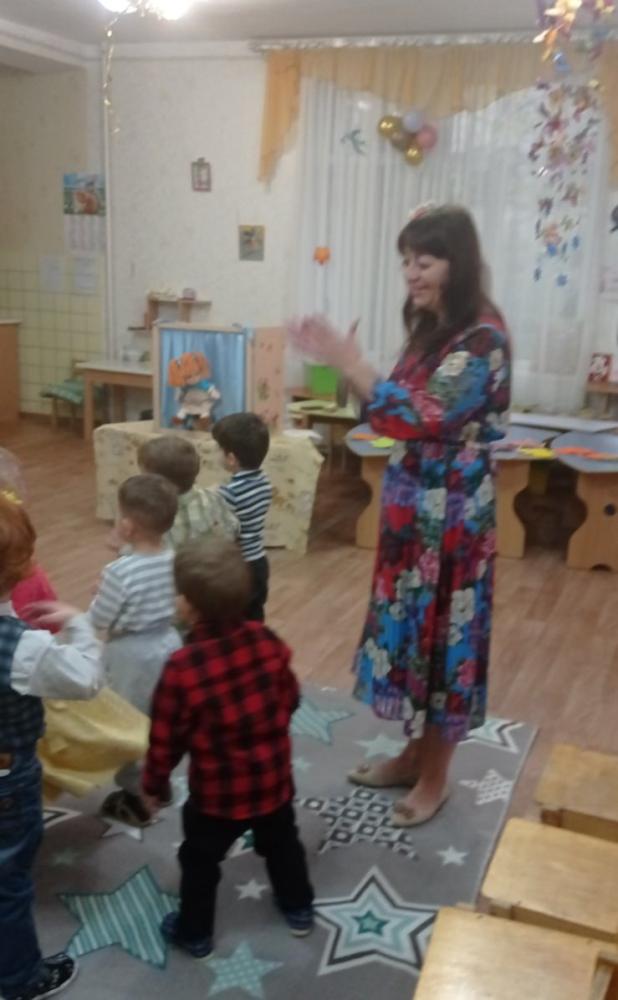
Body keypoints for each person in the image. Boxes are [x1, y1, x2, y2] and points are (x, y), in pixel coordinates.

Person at [288, 205, 511, 827]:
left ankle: (435, 777)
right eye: (407, 261)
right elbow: (388, 411)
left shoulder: (483, 338)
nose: (412, 273)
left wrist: (350, 361)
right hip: (412, 512)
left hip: (454, 522)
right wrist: (353, 369)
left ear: (457, 263)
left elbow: (420, 415)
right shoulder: (432, 326)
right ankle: (413, 756)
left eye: (426, 261)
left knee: (444, 645)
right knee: (414, 638)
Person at [142, 538, 314, 958]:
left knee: (199, 860)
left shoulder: (182, 668)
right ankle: (298, 907)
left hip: (216, 798)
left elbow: (166, 739)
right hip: (273, 783)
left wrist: (155, 786)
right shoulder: (267, 639)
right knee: (283, 844)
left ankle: (195, 933)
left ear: (188, 605)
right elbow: (291, 698)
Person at [0, 490, 103, 1000]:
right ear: (20, 569)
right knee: (9, 880)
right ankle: (19, 979)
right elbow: (86, 679)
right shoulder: (23, 646)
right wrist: (79, 624)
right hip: (7, 779)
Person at [89, 473, 181, 826]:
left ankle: (136, 796)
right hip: (168, 643)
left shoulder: (118, 572)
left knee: (130, 722)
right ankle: (160, 782)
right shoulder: (173, 557)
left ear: (127, 526)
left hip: (131, 655)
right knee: (161, 718)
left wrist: (98, 594)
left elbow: (100, 619)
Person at [212, 413, 273, 621]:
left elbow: (224, 529)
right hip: (259, 561)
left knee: (234, 616)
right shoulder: (264, 480)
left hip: (239, 565)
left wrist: (215, 494)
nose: (215, 452)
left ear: (231, 459)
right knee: (255, 613)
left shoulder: (229, 493)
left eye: (218, 448)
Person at [137, 434, 239, 548]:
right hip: (215, 557)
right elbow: (233, 528)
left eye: (143, 475)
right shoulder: (213, 498)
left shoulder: (152, 516)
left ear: (157, 484)